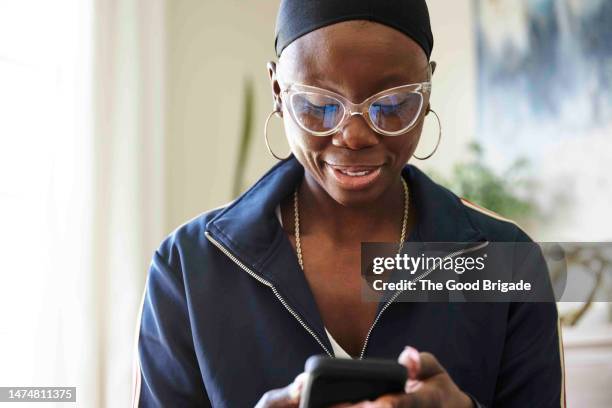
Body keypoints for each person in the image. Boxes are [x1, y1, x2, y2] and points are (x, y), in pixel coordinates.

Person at [133, 1, 565, 407]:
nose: (354, 136)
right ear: (278, 91)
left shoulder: (506, 263)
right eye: (319, 105)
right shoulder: (190, 269)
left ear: (428, 90)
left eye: (393, 105)